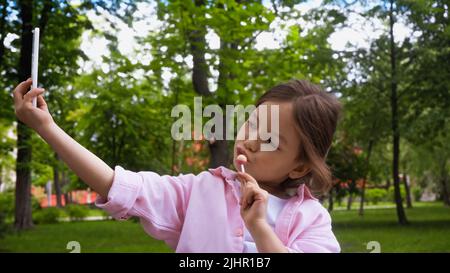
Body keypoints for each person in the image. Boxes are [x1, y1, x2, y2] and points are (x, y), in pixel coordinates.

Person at [13, 78, 341, 253]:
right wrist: (47, 128)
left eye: (271, 140)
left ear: (298, 168)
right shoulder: (198, 191)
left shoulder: (311, 220)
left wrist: (259, 228)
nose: (250, 140)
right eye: (253, 123)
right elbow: (117, 185)